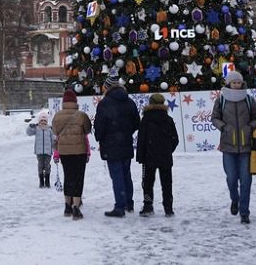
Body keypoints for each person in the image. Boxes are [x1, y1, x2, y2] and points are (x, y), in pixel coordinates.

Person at [211, 70, 256, 224]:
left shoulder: (249, 99)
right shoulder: (221, 100)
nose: (237, 85)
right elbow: (214, 118)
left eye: (239, 82)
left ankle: (244, 212)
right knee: (232, 178)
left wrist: (249, 127)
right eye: (234, 82)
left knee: (246, 180)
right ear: (229, 83)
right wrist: (224, 127)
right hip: (228, 147)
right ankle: (235, 199)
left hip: (246, 147)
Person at [93, 75, 140, 217]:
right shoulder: (129, 101)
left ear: (106, 88)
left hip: (111, 145)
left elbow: (99, 125)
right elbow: (136, 122)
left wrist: (100, 137)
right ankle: (129, 204)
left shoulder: (104, 103)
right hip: (125, 143)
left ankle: (119, 206)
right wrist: (126, 132)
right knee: (126, 174)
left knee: (117, 176)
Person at [136, 93, 180, 217]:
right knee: (167, 183)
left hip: (149, 157)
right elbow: (175, 139)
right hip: (165, 156)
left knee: (147, 182)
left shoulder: (146, 119)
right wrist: (167, 150)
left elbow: (141, 139)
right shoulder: (168, 119)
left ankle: (148, 206)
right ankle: (168, 208)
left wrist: (141, 156)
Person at [51, 89, 92, 220]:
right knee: (78, 178)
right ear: (75, 102)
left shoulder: (57, 116)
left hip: (64, 151)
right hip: (79, 151)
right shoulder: (81, 115)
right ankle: (76, 207)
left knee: (68, 176)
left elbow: (56, 131)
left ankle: (67, 206)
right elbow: (88, 130)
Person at [26, 112, 54, 188]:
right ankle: (41, 181)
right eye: (42, 120)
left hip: (48, 151)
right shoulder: (37, 129)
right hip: (39, 151)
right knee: (40, 165)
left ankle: (47, 181)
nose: (43, 122)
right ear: (39, 121)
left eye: (45, 121)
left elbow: (53, 138)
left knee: (47, 166)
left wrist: (56, 141)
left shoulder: (50, 129)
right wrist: (30, 127)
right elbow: (28, 133)